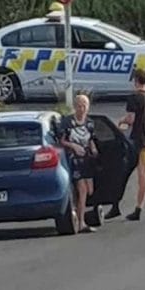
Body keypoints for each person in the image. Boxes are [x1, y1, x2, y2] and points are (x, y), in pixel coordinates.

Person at [118, 68, 145, 222]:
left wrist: (121, 121)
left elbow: (131, 119)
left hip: (136, 139)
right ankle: (139, 206)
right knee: (144, 172)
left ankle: (120, 204)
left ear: (136, 80)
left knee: (128, 171)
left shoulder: (133, 97)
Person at [58, 93, 98, 234]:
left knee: (89, 190)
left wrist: (93, 148)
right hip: (74, 160)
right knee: (82, 190)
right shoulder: (67, 122)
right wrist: (73, 146)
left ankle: (78, 212)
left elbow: (91, 139)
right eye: (79, 106)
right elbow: (61, 141)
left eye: (84, 106)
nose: (82, 109)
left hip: (87, 160)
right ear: (75, 107)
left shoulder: (90, 123)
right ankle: (81, 223)